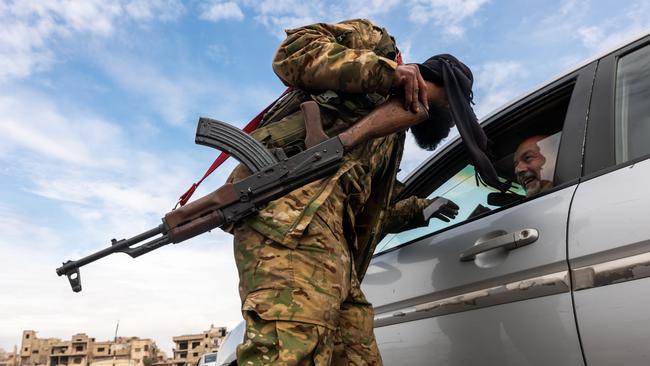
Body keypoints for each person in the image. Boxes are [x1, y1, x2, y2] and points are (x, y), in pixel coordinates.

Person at [227, 19, 499, 366]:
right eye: (446, 107)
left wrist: (419, 209)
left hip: (337, 252)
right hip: (289, 220)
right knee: (290, 349)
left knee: (357, 356)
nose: (443, 120)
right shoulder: (374, 45)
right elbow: (292, 52)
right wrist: (384, 73)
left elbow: (371, 212)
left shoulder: (391, 137)